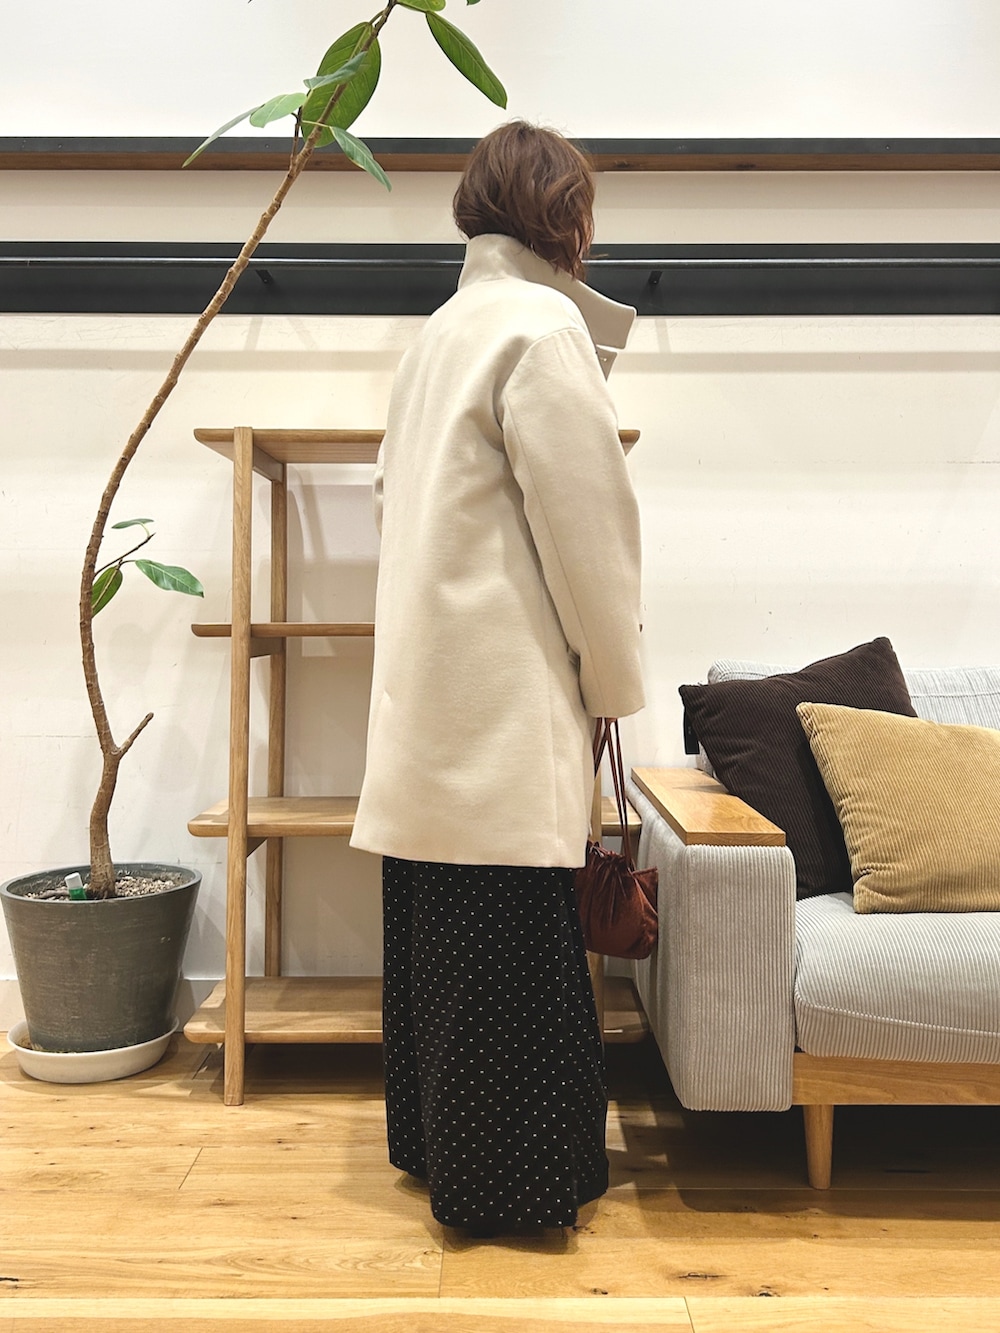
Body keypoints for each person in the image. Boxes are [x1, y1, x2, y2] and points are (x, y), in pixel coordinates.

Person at [350, 120, 645, 1233]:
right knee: (511, 956)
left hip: (428, 701)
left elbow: (397, 510)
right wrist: (611, 682)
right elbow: (588, 535)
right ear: (565, 215)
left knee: (444, 952)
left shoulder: (436, 336)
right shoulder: (540, 329)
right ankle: (510, 1191)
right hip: (503, 705)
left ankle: (442, 1155)